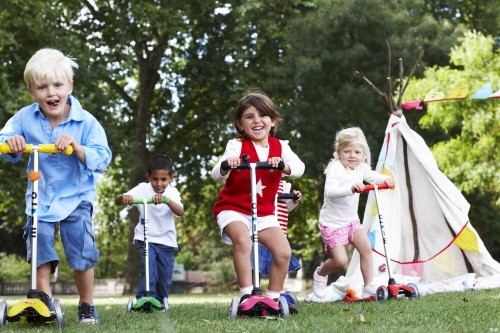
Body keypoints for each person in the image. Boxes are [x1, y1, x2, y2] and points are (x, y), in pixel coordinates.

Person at [0, 48, 112, 324]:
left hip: (77, 197)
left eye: (58, 85)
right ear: (31, 92)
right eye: (42, 87)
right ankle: (42, 302)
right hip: (41, 197)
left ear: (70, 86)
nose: (51, 92)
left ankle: (87, 304)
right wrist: (13, 143)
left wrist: (77, 147)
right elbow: (5, 141)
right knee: (40, 249)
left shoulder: (85, 122)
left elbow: (102, 158)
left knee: (81, 253)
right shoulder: (25, 118)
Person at [211, 91, 305, 311]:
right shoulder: (236, 145)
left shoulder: (281, 147)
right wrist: (227, 163)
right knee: (243, 241)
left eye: (262, 115)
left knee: (283, 252)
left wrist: (283, 165)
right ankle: (246, 295)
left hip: (264, 213)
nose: (256, 121)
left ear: (272, 121)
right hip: (233, 209)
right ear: (240, 124)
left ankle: (272, 298)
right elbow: (216, 174)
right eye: (249, 116)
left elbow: (299, 168)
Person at [312, 127, 394, 299]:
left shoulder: (361, 168)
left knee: (366, 248)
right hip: (332, 222)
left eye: (357, 152)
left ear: (363, 153)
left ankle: (368, 286)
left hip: (351, 221)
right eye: (347, 151)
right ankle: (320, 273)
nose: (352, 156)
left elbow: (373, 176)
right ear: (338, 152)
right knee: (340, 261)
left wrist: (385, 180)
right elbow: (331, 191)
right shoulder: (335, 168)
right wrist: (350, 188)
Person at [115, 155, 184, 311]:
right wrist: (124, 197)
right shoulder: (142, 189)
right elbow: (118, 201)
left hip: (166, 241)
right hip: (146, 238)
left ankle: (161, 301)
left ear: (171, 178)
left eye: (163, 179)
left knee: (164, 276)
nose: (159, 184)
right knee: (149, 268)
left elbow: (180, 211)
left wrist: (166, 200)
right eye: (155, 179)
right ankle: (145, 299)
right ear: (148, 177)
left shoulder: (172, 193)